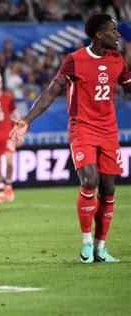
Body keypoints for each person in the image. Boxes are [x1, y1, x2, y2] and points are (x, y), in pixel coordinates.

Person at [11, 14, 131, 263]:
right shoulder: (74, 60)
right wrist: (26, 120)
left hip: (109, 130)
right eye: (113, 31)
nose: (118, 35)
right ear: (99, 34)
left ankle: (100, 248)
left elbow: (128, 85)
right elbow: (51, 91)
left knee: (108, 188)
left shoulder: (117, 59)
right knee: (89, 180)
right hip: (82, 128)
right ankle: (86, 241)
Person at [0, 72, 20, 203]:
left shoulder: (8, 97)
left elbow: (16, 114)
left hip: (7, 134)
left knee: (10, 162)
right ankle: (0, 191)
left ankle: (8, 185)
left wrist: (17, 131)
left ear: (1, 83)